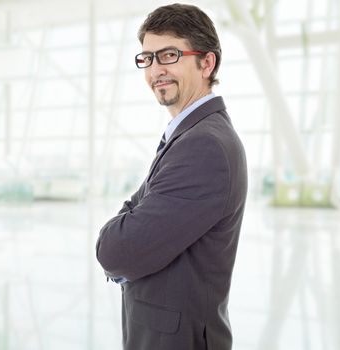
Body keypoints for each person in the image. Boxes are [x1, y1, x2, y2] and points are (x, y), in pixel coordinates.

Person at [96, 4, 247, 350]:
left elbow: (116, 250)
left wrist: (123, 232)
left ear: (207, 63)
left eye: (168, 55)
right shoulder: (189, 135)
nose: (155, 71)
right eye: (147, 59)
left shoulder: (204, 145)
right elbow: (138, 213)